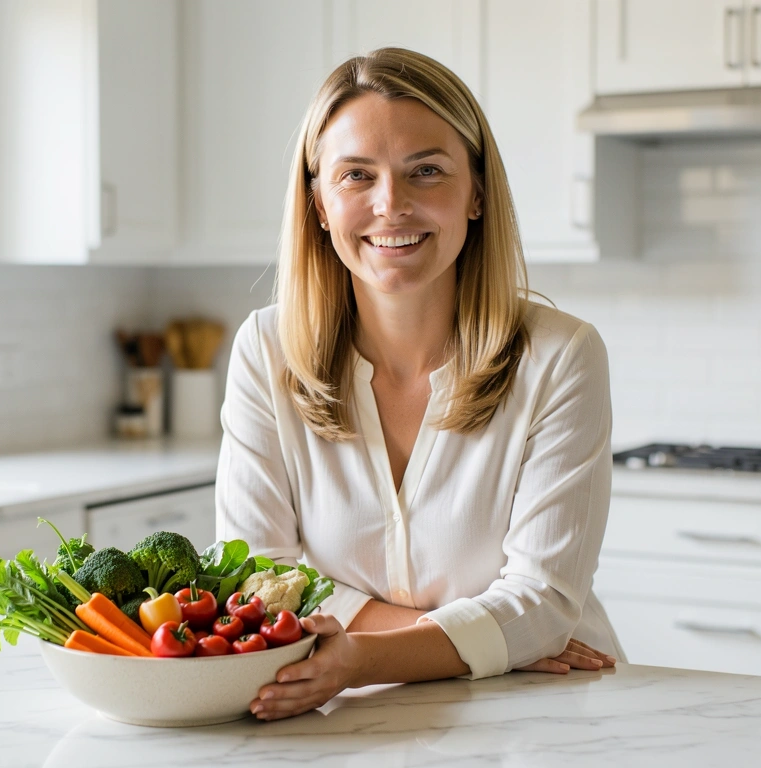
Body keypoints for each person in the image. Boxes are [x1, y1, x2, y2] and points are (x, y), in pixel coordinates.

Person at [215, 48, 624, 722]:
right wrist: (493, 637)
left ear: (477, 192)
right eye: (356, 176)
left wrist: (368, 653)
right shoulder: (266, 349)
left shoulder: (560, 356)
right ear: (318, 202)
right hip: (341, 724)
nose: (391, 205)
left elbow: (544, 606)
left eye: (426, 171)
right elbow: (254, 575)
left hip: (536, 713)